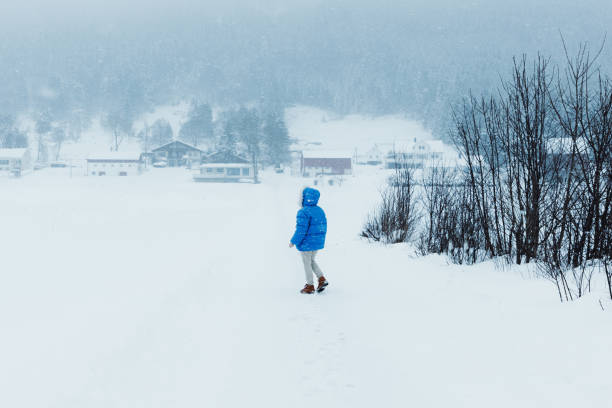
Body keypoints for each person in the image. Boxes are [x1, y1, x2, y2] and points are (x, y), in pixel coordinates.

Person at [289, 187, 329, 294]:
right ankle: (321, 279)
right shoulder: (320, 210)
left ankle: (310, 285)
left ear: (304, 198)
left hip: (307, 243)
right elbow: (323, 227)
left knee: (307, 263)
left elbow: (301, 229)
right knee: (311, 261)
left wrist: (293, 241)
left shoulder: (303, 212)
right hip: (316, 242)